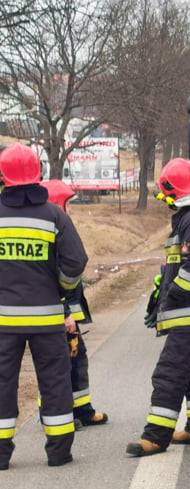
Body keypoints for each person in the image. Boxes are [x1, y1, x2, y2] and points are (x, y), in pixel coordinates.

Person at [0, 144, 88, 469]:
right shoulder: (54, 215)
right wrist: (61, 290)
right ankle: (59, 452)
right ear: (37, 173)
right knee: (54, 381)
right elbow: (76, 262)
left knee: (1, 382)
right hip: (48, 319)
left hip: (2, 322)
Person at [126, 158, 190, 457]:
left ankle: (155, 437)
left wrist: (173, 295)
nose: (166, 201)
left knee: (169, 373)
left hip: (188, 315)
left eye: (167, 195)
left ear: (175, 191)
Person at [42, 180, 108, 428]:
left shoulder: (60, 228)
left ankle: (82, 409)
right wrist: (64, 314)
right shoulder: (51, 235)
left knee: (76, 358)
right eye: (67, 203)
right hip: (58, 312)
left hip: (68, 311)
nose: (71, 208)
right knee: (57, 364)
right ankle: (53, 413)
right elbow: (54, 282)